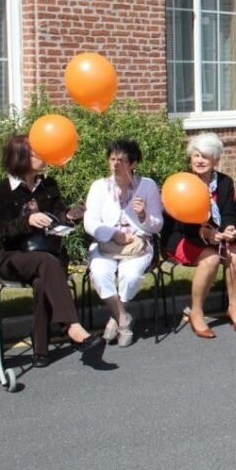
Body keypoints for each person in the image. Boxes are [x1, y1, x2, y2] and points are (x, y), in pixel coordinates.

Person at [0, 135, 104, 367]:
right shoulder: (1, 190)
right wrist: (28, 220)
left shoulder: (49, 185)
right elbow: (2, 231)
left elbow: (58, 218)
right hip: (13, 257)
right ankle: (71, 326)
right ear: (21, 157)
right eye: (38, 153)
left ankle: (40, 349)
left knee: (44, 279)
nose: (45, 157)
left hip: (46, 255)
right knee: (47, 263)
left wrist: (70, 216)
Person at [160, 133, 236, 338]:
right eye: (196, 155)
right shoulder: (183, 181)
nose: (199, 161)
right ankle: (196, 312)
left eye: (205, 157)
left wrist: (229, 229)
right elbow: (180, 221)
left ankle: (234, 308)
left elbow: (228, 213)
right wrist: (204, 233)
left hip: (213, 235)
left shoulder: (224, 182)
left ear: (215, 160)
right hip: (181, 235)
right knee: (211, 259)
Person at [85, 139, 164, 347]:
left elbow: (157, 225)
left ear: (133, 164)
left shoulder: (147, 186)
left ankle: (114, 317)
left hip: (137, 245)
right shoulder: (99, 187)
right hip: (107, 245)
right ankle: (122, 319)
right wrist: (112, 233)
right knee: (101, 274)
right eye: (112, 159)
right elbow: (89, 222)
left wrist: (143, 215)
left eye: (121, 160)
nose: (115, 164)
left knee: (130, 276)